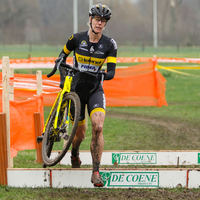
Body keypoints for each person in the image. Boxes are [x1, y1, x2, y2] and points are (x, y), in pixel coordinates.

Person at [57, 3, 117, 187]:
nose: (100, 23)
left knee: (98, 127)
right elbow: (61, 58)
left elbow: (112, 72)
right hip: (76, 89)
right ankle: (74, 153)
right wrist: (62, 77)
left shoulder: (109, 44)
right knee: (79, 134)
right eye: (98, 19)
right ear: (90, 20)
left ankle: (96, 172)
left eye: (104, 21)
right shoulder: (76, 39)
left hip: (94, 89)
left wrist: (103, 75)